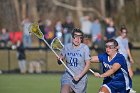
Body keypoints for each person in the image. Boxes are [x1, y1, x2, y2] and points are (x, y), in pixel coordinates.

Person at [58, 28, 91, 93]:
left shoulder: (85, 48)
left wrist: (79, 76)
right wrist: (59, 59)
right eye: (75, 36)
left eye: (80, 37)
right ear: (72, 37)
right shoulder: (66, 47)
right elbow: (60, 61)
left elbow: (88, 65)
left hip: (81, 80)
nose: (77, 39)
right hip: (68, 77)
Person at [116, 26, 136, 93]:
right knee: (122, 75)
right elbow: (115, 49)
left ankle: (128, 88)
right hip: (120, 59)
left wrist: (130, 58)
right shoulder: (117, 39)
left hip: (126, 59)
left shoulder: (126, 40)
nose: (124, 34)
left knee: (131, 74)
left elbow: (127, 49)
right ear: (120, 32)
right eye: (123, 32)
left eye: (125, 32)